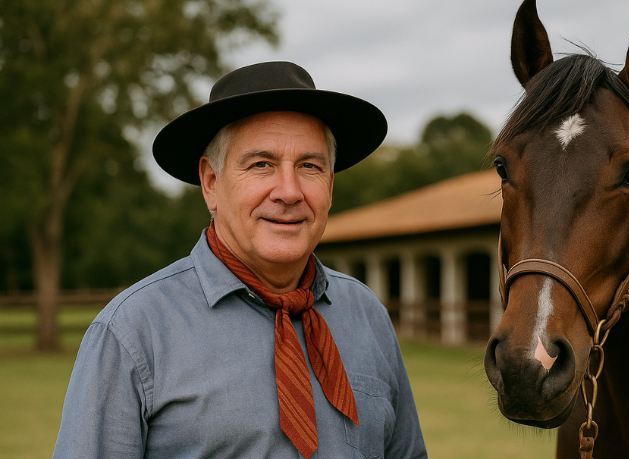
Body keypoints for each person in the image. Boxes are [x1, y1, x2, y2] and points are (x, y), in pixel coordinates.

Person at [53, 61, 427, 458]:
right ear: (211, 183)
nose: (289, 191)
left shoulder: (367, 314)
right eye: (261, 164)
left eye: (310, 166)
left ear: (330, 185)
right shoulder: (132, 332)